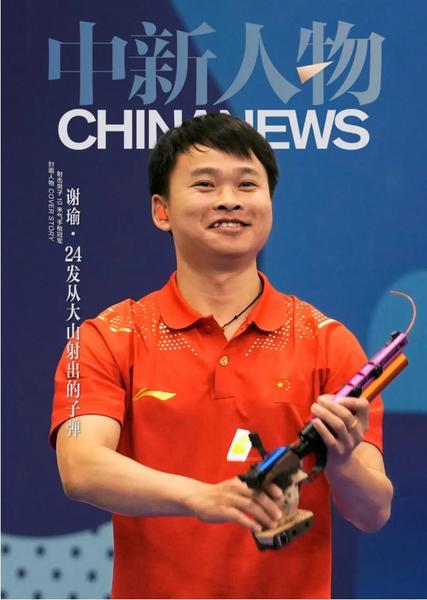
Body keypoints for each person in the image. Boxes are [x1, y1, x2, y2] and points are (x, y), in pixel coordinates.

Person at [50, 113, 393, 599]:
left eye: (247, 184)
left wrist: (341, 461)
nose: (229, 199)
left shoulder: (327, 341)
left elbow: (374, 512)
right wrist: (202, 497)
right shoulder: (109, 336)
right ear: (161, 211)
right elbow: (81, 467)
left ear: (269, 204)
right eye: (205, 184)